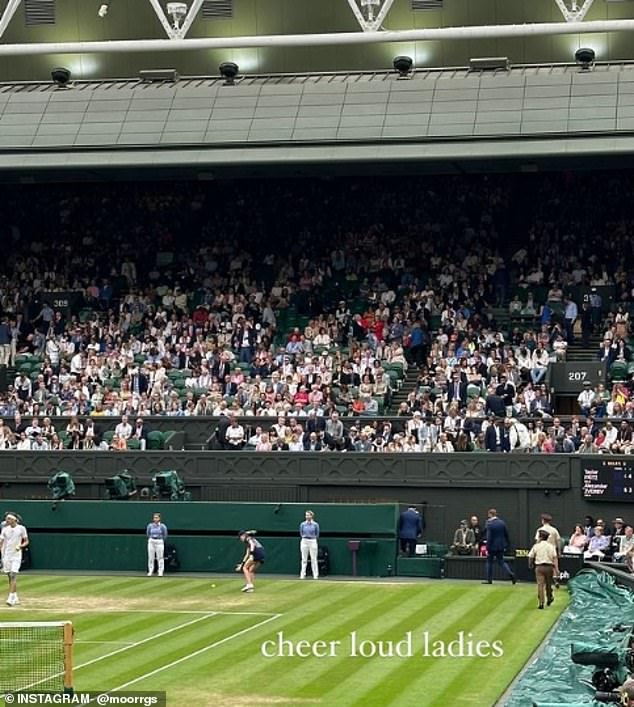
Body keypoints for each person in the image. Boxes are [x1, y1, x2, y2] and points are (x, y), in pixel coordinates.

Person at [0, 512, 29, 606]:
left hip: (16, 555)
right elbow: (1, 542)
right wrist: (2, 554)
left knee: (13, 575)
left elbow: (26, 541)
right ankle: (15, 597)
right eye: (6, 518)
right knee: (10, 577)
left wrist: (20, 546)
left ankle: (10, 598)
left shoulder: (21, 528)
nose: (7, 520)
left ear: (14, 519)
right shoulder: (4, 529)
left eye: (9, 518)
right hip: (6, 556)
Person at [482, 508, 516, 585]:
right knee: (501, 561)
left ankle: (489, 579)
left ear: (490, 514)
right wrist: (507, 544)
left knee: (489, 562)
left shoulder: (489, 524)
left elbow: (489, 537)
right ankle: (511, 574)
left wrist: (487, 547)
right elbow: (506, 534)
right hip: (501, 546)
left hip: (492, 547)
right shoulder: (502, 523)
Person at [528, 529, 558, 609]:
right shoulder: (551, 546)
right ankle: (549, 597)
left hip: (539, 567)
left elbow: (531, 556)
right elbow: (554, 558)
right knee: (548, 584)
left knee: (540, 585)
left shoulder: (536, 546)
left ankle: (541, 602)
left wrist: (530, 564)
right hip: (549, 567)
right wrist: (556, 569)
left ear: (540, 537)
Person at [299, 510, 320, 580]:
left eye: (308, 515)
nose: (307, 516)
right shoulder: (302, 524)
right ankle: (302, 574)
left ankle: (315, 575)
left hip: (313, 541)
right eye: (306, 515)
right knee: (304, 559)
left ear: (312, 516)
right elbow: (301, 533)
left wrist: (312, 538)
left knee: (313, 559)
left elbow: (317, 534)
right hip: (304, 541)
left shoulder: (315, 524)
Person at [146, 512, 168, 577]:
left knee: (160, 557)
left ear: (159, 518)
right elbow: (148, 533)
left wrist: (160, 539)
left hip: (159, 541)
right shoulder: (150, 525)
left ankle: (160, 571)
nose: (155, 519)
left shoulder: (163, 526)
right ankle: (150, 570)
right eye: (154, 517)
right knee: (151, 557)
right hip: (151, 541)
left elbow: (165, 534)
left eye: (157, 517)